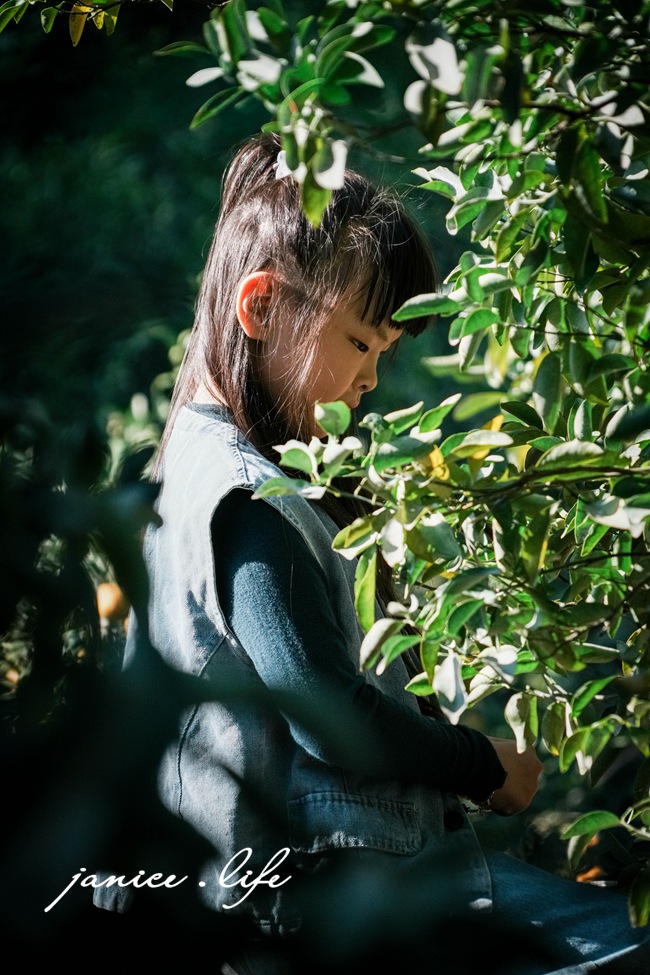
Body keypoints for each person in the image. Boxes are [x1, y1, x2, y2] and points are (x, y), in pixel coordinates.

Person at [94, 133, 649, 974]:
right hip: (327, 909)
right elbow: (325, 706)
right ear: (261, 308)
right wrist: (480, 764)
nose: (371, 382)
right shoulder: (249, 498)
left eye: (385, 354)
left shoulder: (191, 462)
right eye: (359, 343)